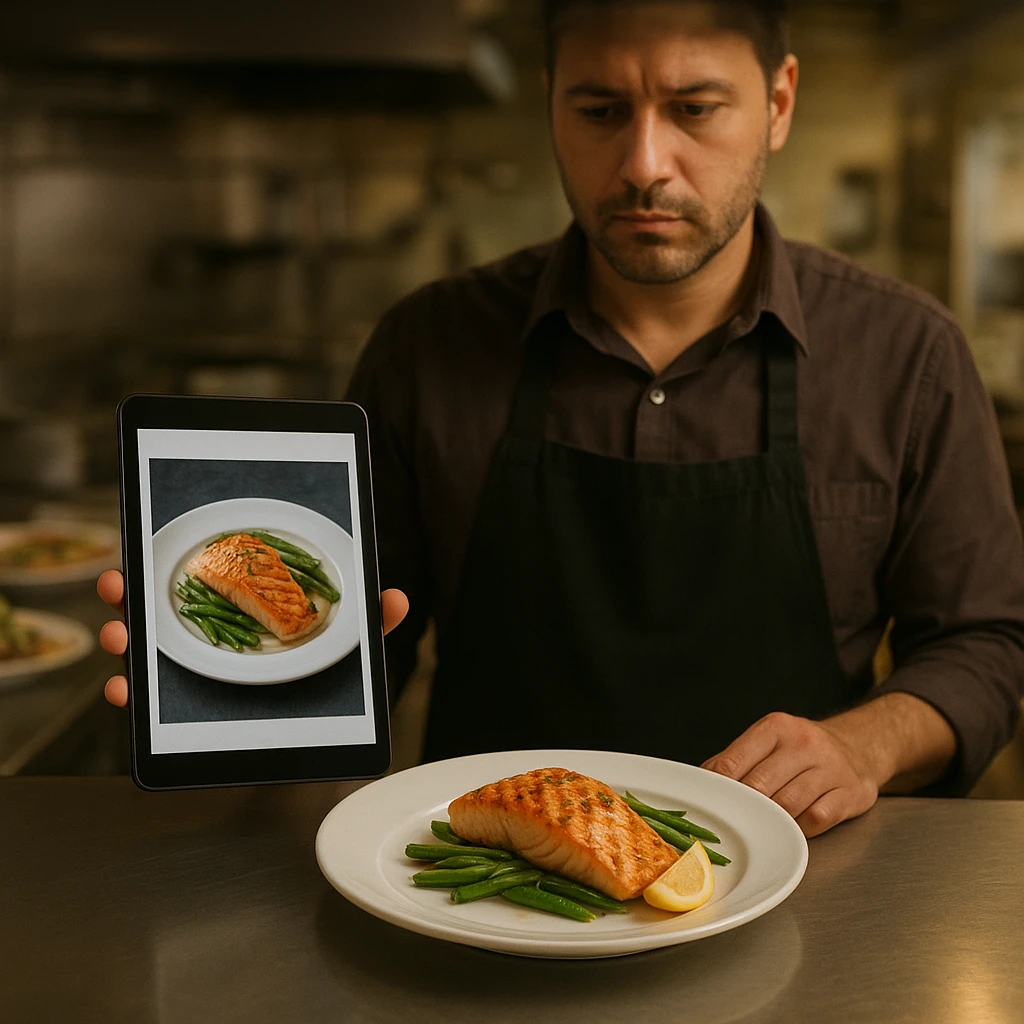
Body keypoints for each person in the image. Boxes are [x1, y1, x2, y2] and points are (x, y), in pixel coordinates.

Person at [98, 0, 1024, 837]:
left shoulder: (908, 355)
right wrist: (219, 682)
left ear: (778, 103)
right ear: (549, 102)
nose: (644, 164)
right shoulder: (427, 344)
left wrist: (866, 745)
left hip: (806, 896)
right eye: (598, 111)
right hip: (482, 899)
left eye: (696, 110)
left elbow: (989, 645)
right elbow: (356, 645)